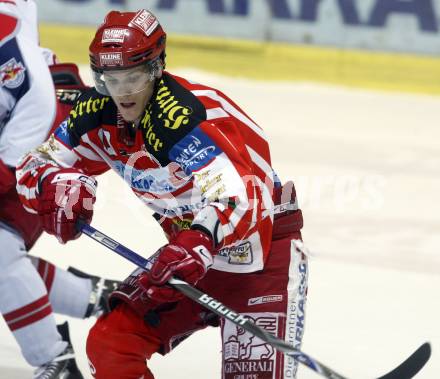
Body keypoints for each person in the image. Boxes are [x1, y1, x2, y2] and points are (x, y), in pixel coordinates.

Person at [16, 9, 308, 379]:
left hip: (262, 255)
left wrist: (197, 242)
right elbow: (33, 165)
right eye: (110, 79)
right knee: (110, 347)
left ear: (155, 69)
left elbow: (240, 198)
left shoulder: (180, 118)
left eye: (133, 77)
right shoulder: (95, 112)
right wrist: (53, 186)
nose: (121, 91)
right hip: (185, 259)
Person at [0, 1, 119, 378]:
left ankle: (54, 359)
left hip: (41, 143)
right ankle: (87, 295)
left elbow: (16, 162)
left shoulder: (22, 73)